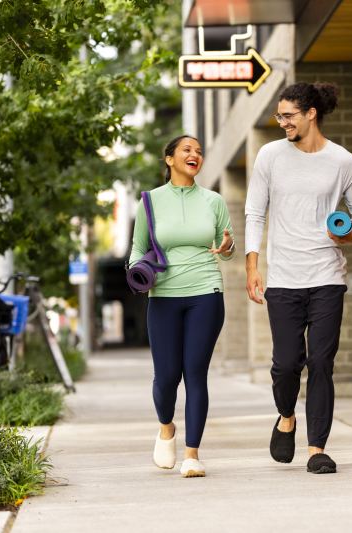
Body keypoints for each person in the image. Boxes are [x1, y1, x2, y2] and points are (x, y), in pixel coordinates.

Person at [244, 82, 352, 474]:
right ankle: (286, 416)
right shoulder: (270, 156)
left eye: (288, 115)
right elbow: (255, 213)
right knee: (285, 365)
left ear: (311, 113)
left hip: (327, 274)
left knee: (321, 361)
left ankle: (317, 449)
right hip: (283, 277)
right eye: (279, 116)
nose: (282, 122)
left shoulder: (343, 161)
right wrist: (252, 266)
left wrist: (351, 232)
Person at [129, 135, 235, 478]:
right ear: (170, 159)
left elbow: (226, 246)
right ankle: (165, 427)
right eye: (187, 150)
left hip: (206, 290)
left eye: (199, 152)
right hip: (163, 297)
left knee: (195, 373)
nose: (195, 155)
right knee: (166, 378)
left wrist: (229, 244)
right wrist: (136, 272)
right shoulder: (149, 202)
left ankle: (192, 455)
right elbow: (137, 248)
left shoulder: (214, 200)